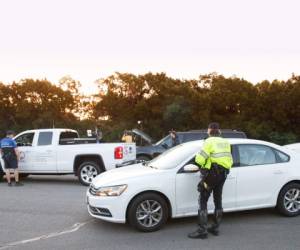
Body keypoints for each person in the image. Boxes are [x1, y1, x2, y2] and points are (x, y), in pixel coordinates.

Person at [188, 123, 233, 239]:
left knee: (203, 199)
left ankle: (202, 231)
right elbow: (229, 160)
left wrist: (196, 163)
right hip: (223, 174)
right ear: (219, 131)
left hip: (212, 174)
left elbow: (200, 158)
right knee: (218, 199)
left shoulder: (209, 141)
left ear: (209, 131)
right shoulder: (226, 142)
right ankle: (215, 227)